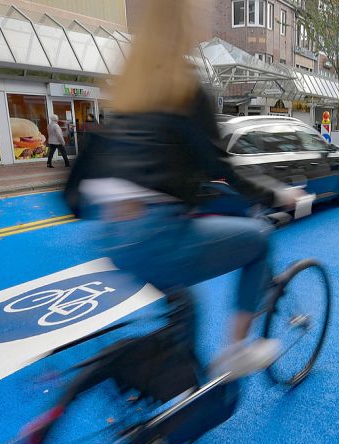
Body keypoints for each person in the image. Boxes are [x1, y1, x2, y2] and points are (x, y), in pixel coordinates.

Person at [65, 0, 302, 409]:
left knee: (184, 304)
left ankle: (183, 395)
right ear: (182, 28)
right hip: (157, 234)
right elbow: (221, 168)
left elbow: (73, 192)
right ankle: (235, 352)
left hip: (110, 238)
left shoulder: (127, 94)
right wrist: (278, 194)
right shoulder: (185, 87)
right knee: (259, 240)